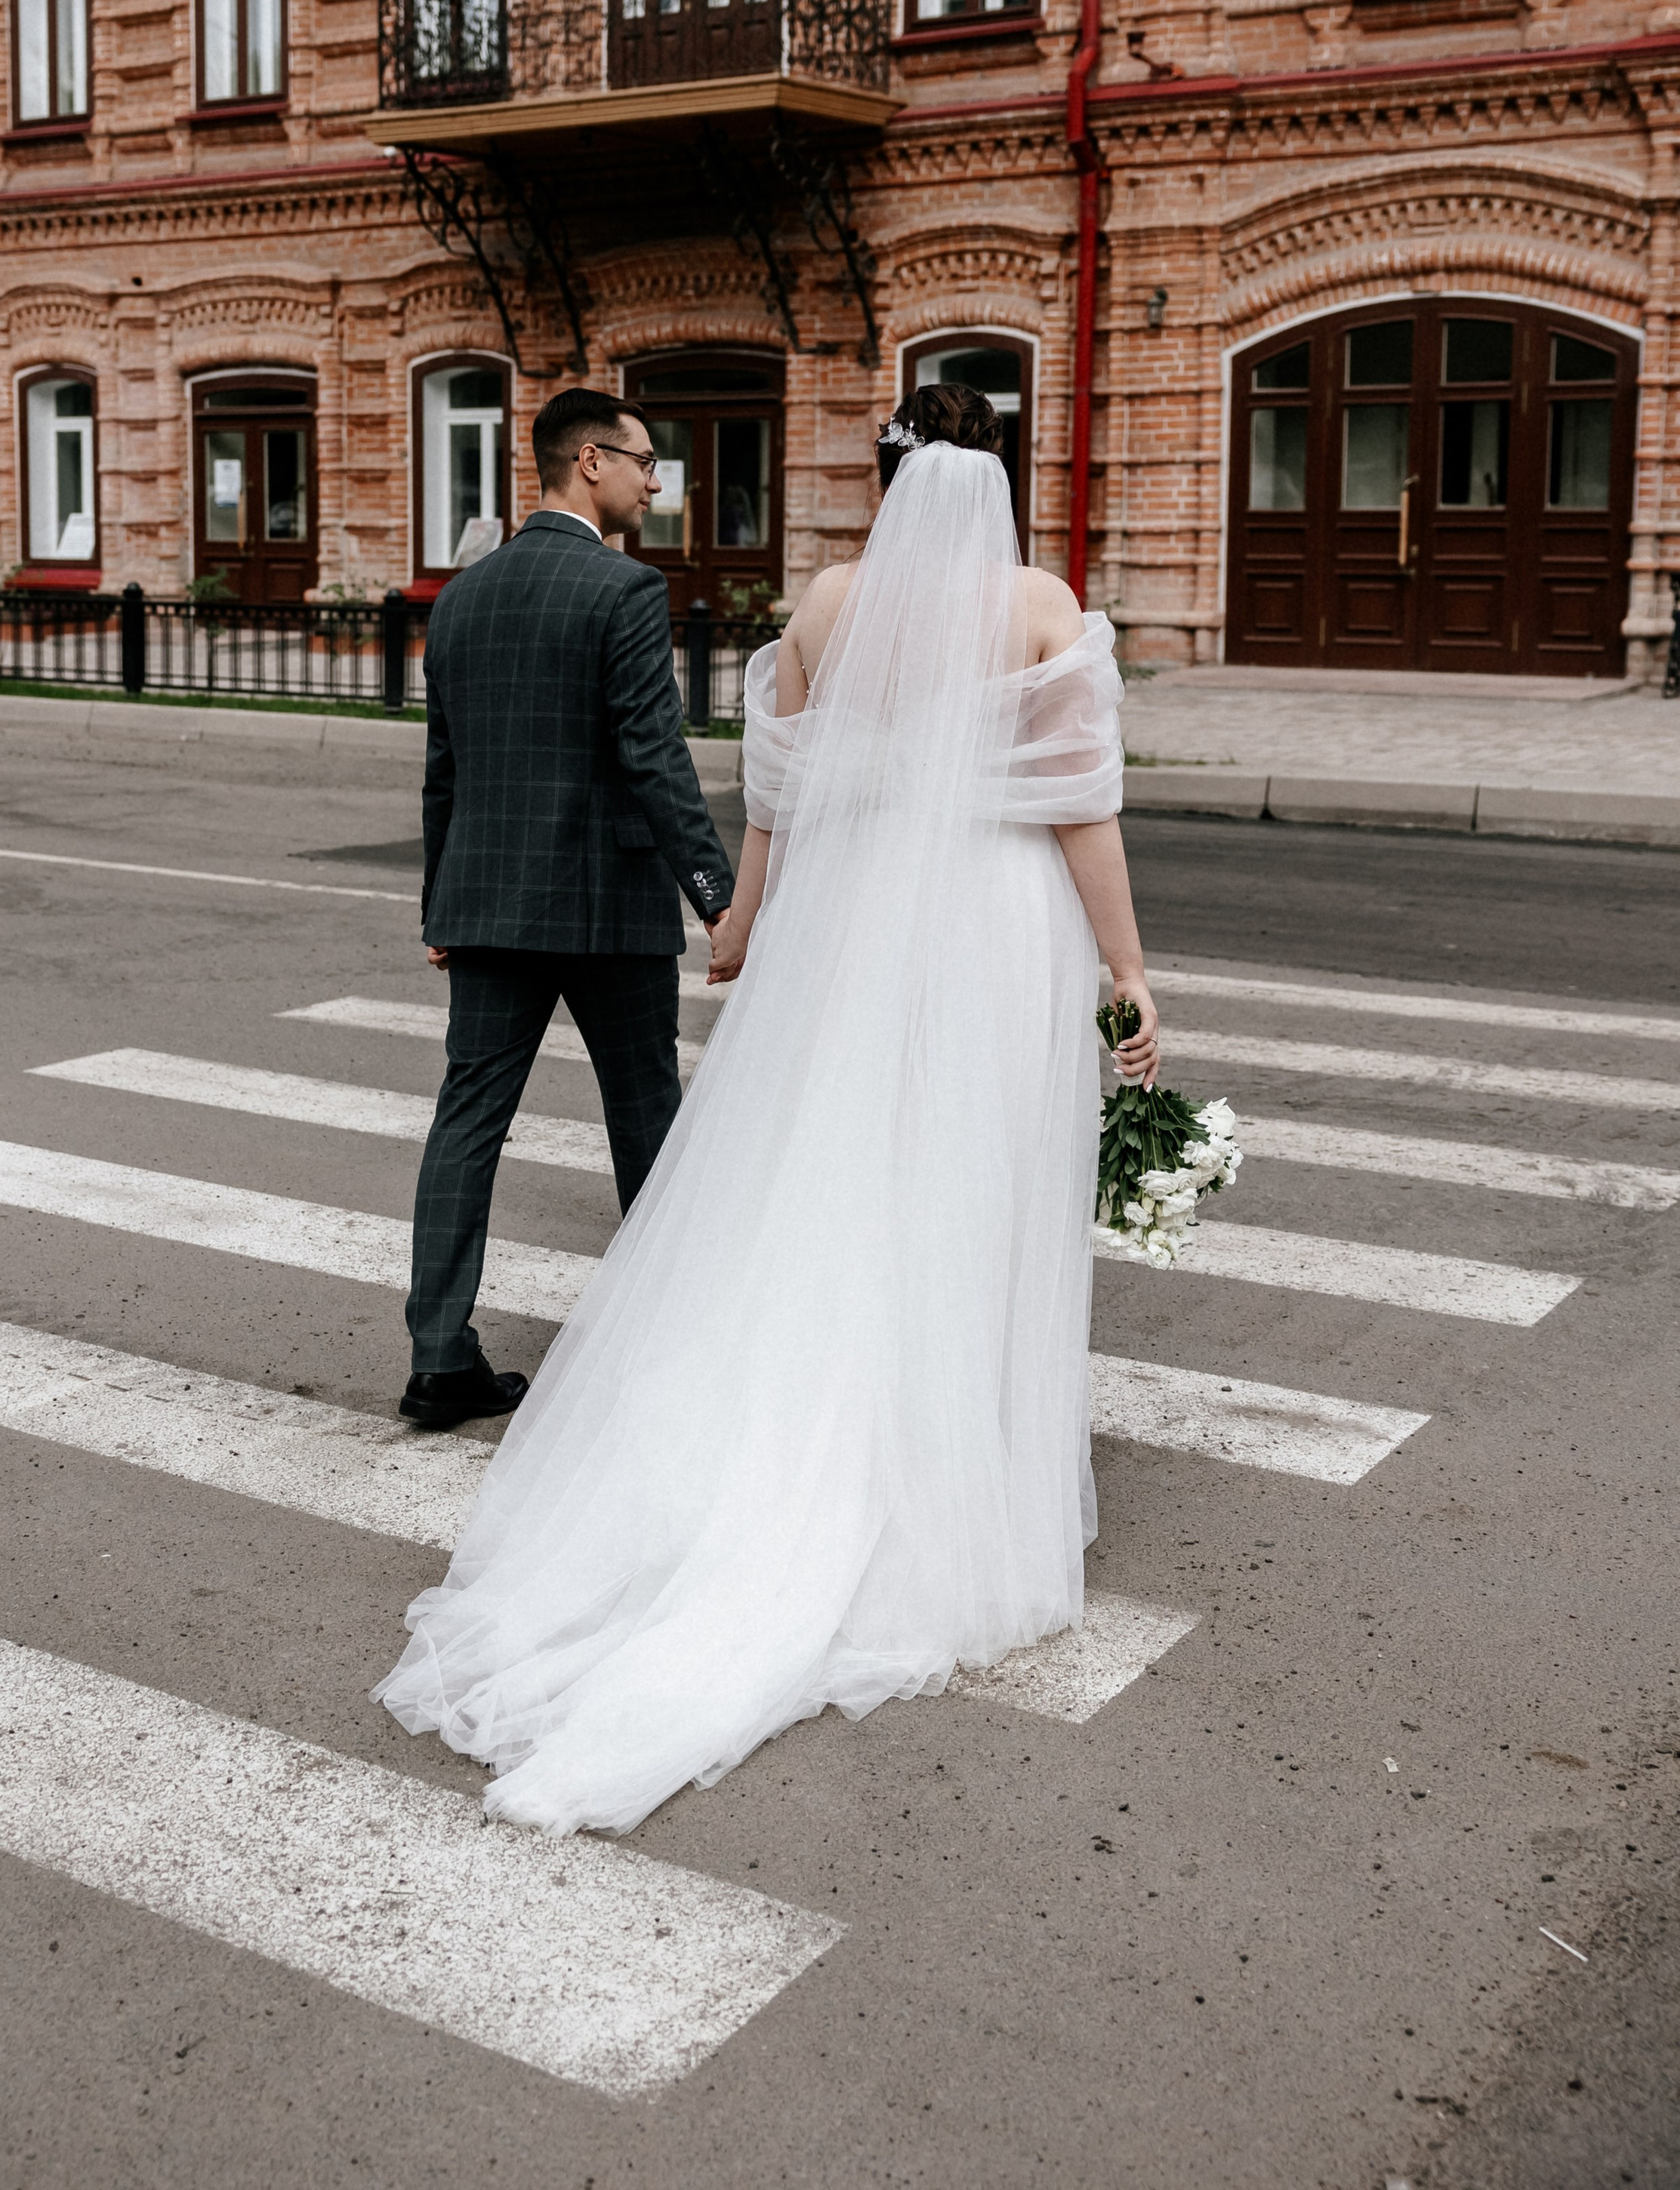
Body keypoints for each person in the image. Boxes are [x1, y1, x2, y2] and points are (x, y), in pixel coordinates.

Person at [374, 382, 1160, 1829]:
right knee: (964, 1180)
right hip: (991, 932)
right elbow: (1080, 805)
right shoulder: (1042, 604)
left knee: (826, 1169)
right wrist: (1125, 969)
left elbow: (775, 791)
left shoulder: (820, 607)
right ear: (998, 474)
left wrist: (746, 916)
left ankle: (728, 1418)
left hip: (847, 925)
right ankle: (943, 1451)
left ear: (886, 474)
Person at [396, 385, 736, 1431]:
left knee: (467, 1124)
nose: (653, 481)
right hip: (606, 908)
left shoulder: (461, 598)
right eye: (643, 460)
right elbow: (653, 757)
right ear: (590, 462)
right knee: (647, 1120)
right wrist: (721, 896)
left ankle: (439, 1358)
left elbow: (443, 773)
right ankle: (673, 1333)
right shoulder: (623, 590)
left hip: (489, 903)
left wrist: (439, 908)